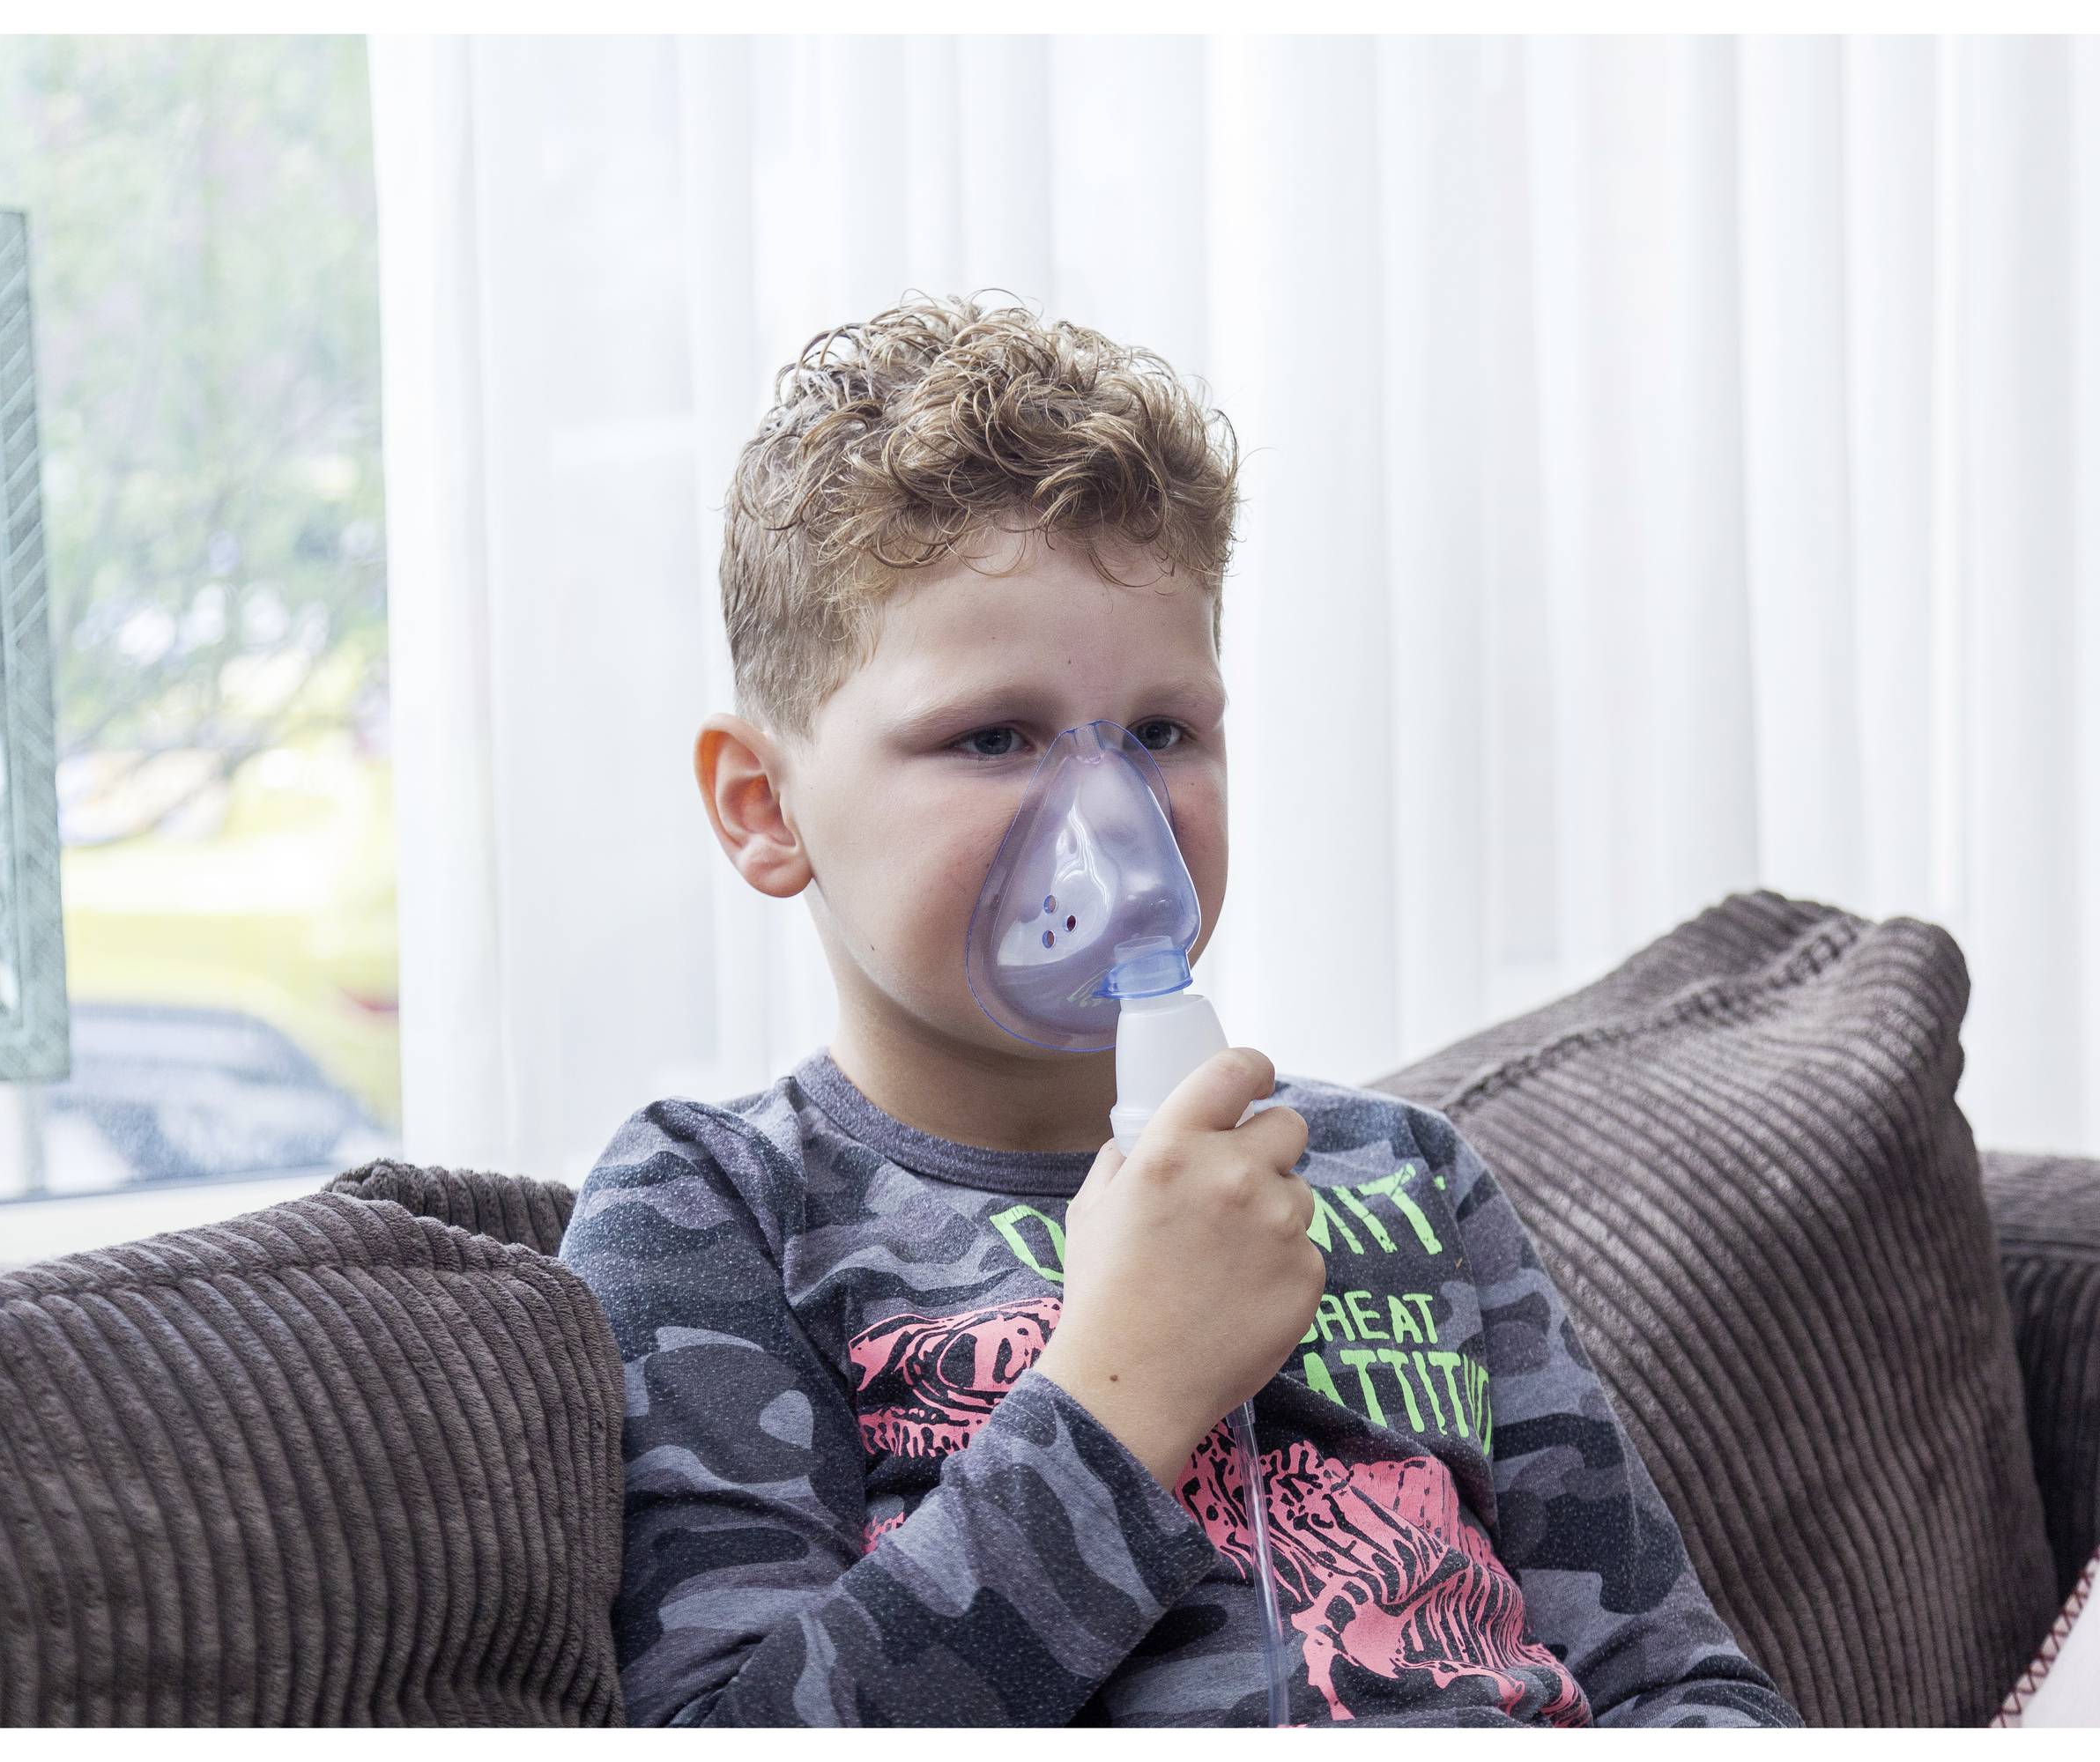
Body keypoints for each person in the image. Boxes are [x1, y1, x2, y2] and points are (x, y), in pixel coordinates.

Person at [556, 292, 1799, 1729]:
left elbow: (1680, 1683)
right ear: (766, 806)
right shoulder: (719, 1212)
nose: (1111, 822)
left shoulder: (1405, 1182)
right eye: (994, 737)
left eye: (1161, 732)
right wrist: (1123, 1387)